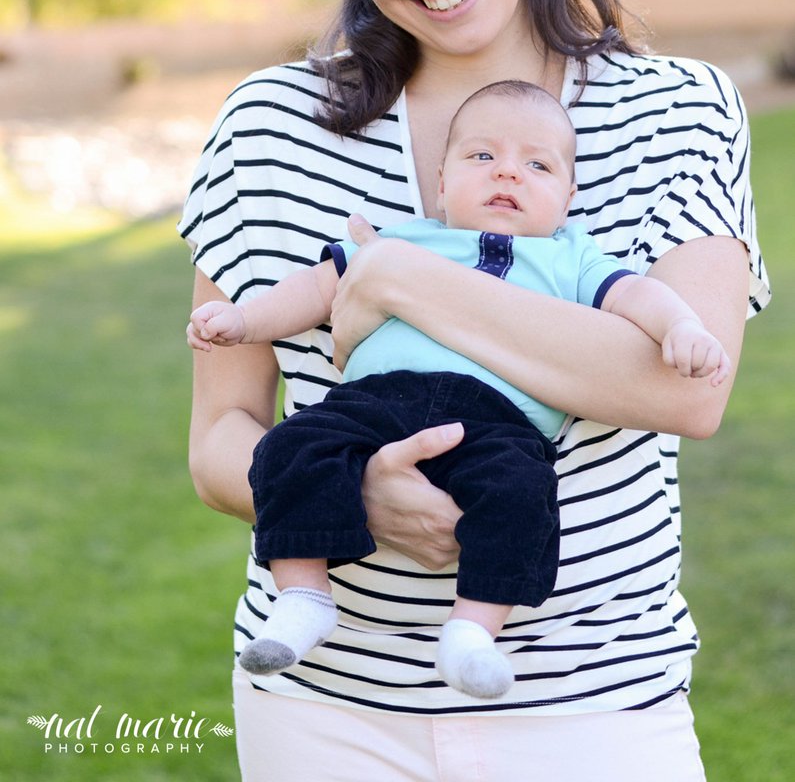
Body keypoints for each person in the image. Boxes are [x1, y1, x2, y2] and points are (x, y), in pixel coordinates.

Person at [179, 0, 769, 782]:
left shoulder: (677, 108)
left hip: (592, 710)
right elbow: (221, 438)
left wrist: (403, 277)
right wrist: (352, 493)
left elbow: (687, 391)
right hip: (320, 710)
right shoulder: (270, 125)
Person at [187, 80, 730, 703]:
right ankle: (303, 595)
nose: (508, 173)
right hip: (373, 403)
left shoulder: (570, 258)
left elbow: (639, 297)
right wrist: (244, 322)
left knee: (523, 495)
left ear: (569, 195)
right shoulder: (402, 238)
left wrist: (683, 326)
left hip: (500, 423)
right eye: (482, 157)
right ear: (441, 183)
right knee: (292, 447)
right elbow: (312, 291)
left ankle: (473, 630)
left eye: (537, 164)